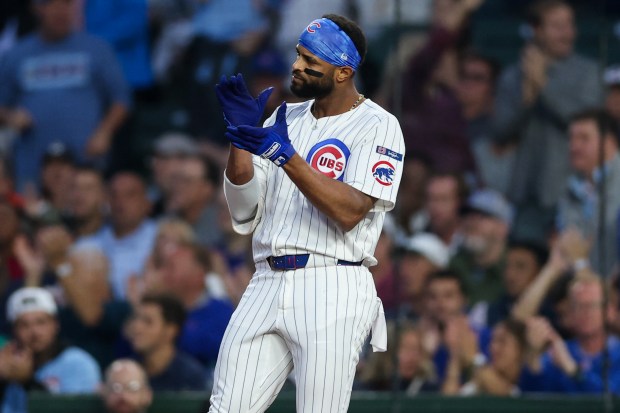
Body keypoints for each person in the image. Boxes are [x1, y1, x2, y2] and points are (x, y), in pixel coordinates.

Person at [211, 14, 404, 412]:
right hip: (266, 278)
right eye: (298, 54)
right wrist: (240, 140)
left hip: (332, 281)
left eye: (310, 59)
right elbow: (244, 210)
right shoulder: (285, 119)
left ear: (342, 72)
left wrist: (287, 157)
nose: (297, 65)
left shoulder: (378, 125)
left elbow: (350, 211)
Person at [493, 0, 603, 242]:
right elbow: (500, 131)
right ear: (537, 30)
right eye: (557, 26)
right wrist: (528, 97)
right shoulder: (514, 76)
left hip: (570, 190)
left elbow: (583, 120)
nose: (568, 33)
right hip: (525, 193)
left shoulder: (588, 72)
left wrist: (543, 86)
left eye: (570, 25)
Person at [0, 0, 131, 190]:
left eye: (66, 4)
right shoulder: (17, 54)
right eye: (52, 4)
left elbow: (121, 99)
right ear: (37, 8)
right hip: (33, 164)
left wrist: (105, 132)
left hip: (85, 161)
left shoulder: (96, 49)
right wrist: (10, 116)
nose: (60, 10)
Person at [0, 287, 100, 413]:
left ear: (55, 324)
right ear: (14, 331)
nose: (34, 332)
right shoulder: (10, 365)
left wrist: (26, 382)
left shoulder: (78, 364)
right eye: (24, 325)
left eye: (41, 322)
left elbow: (71, 410)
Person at [556, 108, 620, 276]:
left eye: (584, 138)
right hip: (583, 284)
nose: (574, 146)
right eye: (571, 138)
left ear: (609, 141)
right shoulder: (569, 187)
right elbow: (571, 244)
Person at [127, 293, 206, 391]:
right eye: (135, 319)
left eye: (148, 321)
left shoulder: (190, 377)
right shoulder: (125, 372)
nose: (136, 327)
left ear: (170, 330)